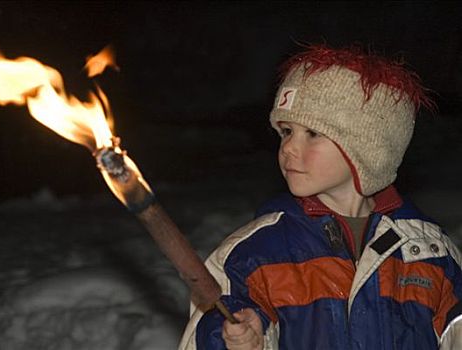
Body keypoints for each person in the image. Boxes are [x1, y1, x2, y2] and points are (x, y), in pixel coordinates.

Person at [178, 44, 462, 349]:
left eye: (312, 133)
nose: (288, 148)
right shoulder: (254, 255)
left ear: (368, 149)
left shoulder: (430, 254)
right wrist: (240, 339)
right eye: (286, 131)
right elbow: (204, 336)